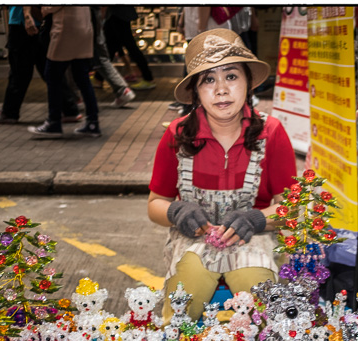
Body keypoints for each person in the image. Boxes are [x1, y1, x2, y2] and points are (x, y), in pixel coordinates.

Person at [147, 28, 296, 323]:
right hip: (193, 242)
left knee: (263, 301)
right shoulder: (176, 134)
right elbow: (155, 204)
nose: (221, 90)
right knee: (181, 304)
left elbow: (290, 205)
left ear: (248, 82)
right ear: (195, 91)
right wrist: (176, 210)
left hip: (256, 240)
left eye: (231, 76)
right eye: (208, 80)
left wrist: (258, 218)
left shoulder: (272, 132)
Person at [0, 6, 81, 125]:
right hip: (38, 23)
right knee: (48, 70)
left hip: (23, 24)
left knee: (19, 73)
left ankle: (9, 113)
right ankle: (70, 109)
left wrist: (27, 15)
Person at [29, 6, 100, 138]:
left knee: (52, 76)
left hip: (65, 29)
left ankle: (54, 122)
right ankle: (92, 123)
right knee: (83, 79)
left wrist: (45, 8)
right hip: (84, 28)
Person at [90, 7, 135, 109]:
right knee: (101, 57)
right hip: (95, 17)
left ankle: (73, 99)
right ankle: (122, 90)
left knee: (73, 59)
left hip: (88, 18)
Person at [103, 6, 156, 90]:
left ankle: (148, 78)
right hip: (119, 13)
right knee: (112, 46)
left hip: (119, 14)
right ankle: (98, 78)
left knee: (129, 46)